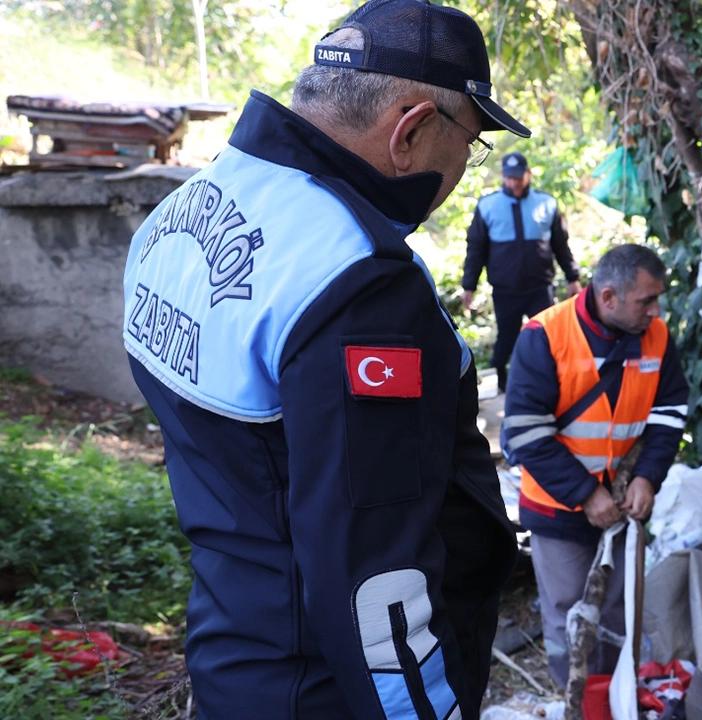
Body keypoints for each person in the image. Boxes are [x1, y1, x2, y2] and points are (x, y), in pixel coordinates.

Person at [120, 2, 525, 717]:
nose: (466, 167)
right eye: (471, 142)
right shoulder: (356, 281)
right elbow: (376, 576)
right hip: (328, 687)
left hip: (234, 647)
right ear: (413, 128)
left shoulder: (185, 212)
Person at [500, 244, 688, 687]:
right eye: (646, 300)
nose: (656, 311)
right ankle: (576, 701)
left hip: (625, 503)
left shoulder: (657, 335)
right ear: (608, 297)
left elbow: (669, 412)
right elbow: (527, 432)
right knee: (569, 610)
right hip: (557, 509)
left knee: (620, 610)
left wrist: (647, 477)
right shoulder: (544, 335)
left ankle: (617, 696)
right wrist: (586, 494)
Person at [461, 151, 581, 391]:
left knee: (550, 335)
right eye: (509, 178)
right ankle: (502, 385)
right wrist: (469, 286)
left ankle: (554, 381)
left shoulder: (547, 203)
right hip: (506, 290)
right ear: (503, 177)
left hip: (540, 287)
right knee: (506, 338)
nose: (514, 182)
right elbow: (476, 250)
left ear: (528, 175)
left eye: (518, 177)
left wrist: (573, 277)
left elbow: (560, 244)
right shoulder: (487, 206)